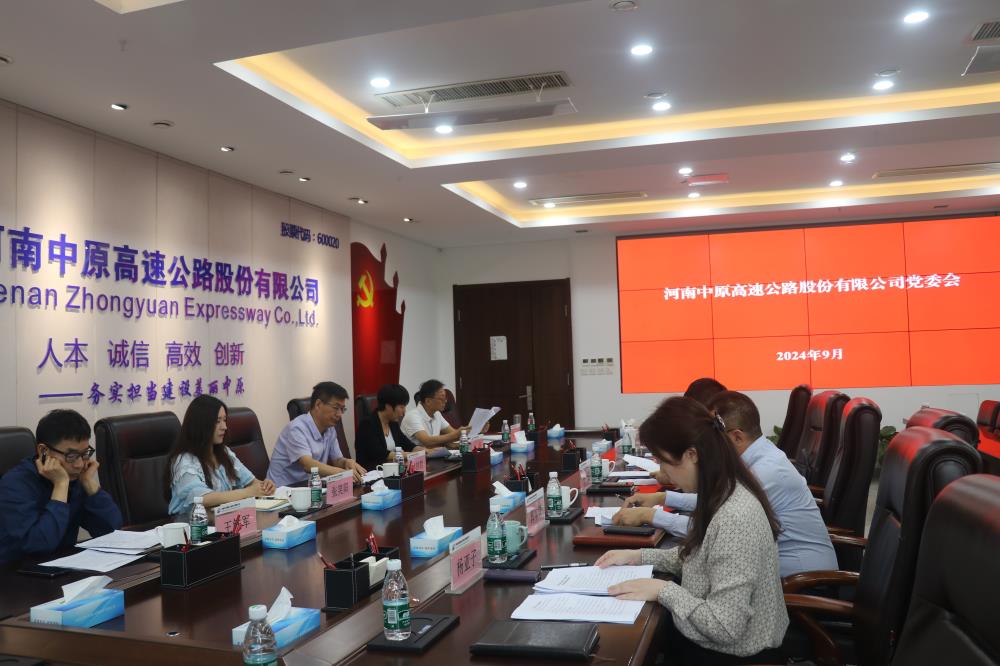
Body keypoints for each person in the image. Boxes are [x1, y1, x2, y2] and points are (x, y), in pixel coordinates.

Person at [597, 397, 787, 665]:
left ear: (692, 455)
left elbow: (725, 627)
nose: (663, 473)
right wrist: (638, 556)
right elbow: (701, 558)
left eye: (664, 462)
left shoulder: (734, 517)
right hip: (711, 643)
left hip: (734, 654)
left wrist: (662, 590)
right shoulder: (722, 490)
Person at [613, 390, 836, 577]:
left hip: (802, 577)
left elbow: (716, 529)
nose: (709, 444)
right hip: (773, 565)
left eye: (715, 436)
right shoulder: (755, 460)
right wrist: (663, 498)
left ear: (737, 437)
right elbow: (718, 502)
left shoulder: (765, 472)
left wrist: (652, 516)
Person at [0, 410, 122, 564]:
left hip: (62, 566)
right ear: (43, 451)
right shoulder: (15, 484)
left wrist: (89, 484)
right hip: (16, 572)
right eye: (71, 456)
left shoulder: (76, 479)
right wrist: (61, 486)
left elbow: (111, 530)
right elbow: (39, 545)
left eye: (85, 453)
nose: (79, 464)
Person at [166, 395, 275, 517]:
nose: (224, 427)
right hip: (192, 525)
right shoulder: (184, 460)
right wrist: (247, 493)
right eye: (218, 421)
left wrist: (265, 486)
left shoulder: (224, 452)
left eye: (224, 420)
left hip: (222, 520)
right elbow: (202, 498)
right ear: (201, 424)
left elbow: (251, 482)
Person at [267, 381, 367, 485]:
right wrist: (343, 474)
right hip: (283, 490)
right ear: (318, 404)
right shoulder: (296, 429)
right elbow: (308, 465)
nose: (339, 414)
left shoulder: (330, 429)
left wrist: (346, 462)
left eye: (342, 409)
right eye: (336, 408)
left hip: (310, 487)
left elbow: (337, 460)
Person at [355, 384, 423, 471]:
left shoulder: (392, 423)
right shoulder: (367, 425)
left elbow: (407, 444)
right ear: (388, 406)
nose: (404, 412)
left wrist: (424, 450)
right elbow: (380, 454)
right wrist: (411, 455)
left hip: (392, 472)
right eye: (401, 407)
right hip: (372, 472)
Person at [399, 380, 464, 450]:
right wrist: (456, 434)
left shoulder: (437, 414)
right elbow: (427, 441)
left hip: (433, 454)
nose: (445, 401)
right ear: (428, 401)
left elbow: (453, 433)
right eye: (441, 399)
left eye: (445, 398)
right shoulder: (412, 416)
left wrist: (463, 433)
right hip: (414, 456)